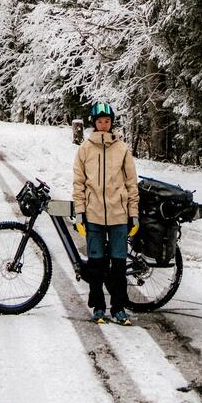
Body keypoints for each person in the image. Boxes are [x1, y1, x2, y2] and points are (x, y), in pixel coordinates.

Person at [73, 100, 139, 325]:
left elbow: (131, 184)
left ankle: (119, 308)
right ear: (94, 123)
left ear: (112, 123)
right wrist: (80, 212)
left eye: (107, 121)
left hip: (119, 215)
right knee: (96, 265)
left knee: (118, 265)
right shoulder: (85, 149)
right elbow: (78, 183)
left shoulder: (122, 149)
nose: (104, 125)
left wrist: (133, 214)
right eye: (100, 121)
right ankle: (98, 307)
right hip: (94, 215)